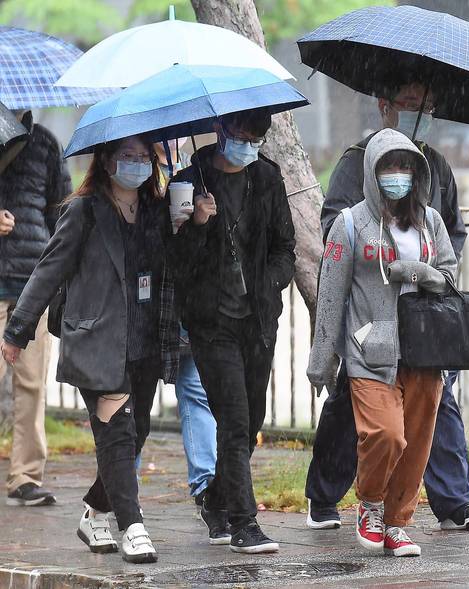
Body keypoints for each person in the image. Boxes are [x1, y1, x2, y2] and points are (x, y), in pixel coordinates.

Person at [306, 80, 469, 532]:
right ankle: (327, 494)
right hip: (369, 322)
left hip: (423, 322)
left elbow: (451, 234)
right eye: (412, 105)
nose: (421, 114)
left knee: (434, 407)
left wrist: (430, 273)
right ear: (385, 106)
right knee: (354, 413)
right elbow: (335, 224)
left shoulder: (437, 168)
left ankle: (450, 501)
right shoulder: (356, 162)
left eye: (428, 106)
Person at [1, 133, 179, 563]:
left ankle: (95, 512)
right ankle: (132, 525)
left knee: (135, 434)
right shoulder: (84, 210)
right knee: (116, 431)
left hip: (144, 340)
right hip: (97, 338)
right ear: (107, 160)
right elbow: (48, 269)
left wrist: (191, 220)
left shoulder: (159, 209)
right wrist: (17, 331)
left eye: (143, 156)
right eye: (127, 156)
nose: (136, 164)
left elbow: (176, 267)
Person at [308, 128, 458, 557]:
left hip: (425, 352)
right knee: (387, 435)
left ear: (416, 172)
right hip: (369, 349)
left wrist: (418, 272)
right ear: (373, 173)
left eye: (404, 166)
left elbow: (448, 277)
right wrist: (321, 362)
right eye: (388, 167)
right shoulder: (349, 224)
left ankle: (397, 522)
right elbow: (331, 296)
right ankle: (370, 503)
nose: (397, 174)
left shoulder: (430, 220)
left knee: (418, 442)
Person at [169, 107, 295, 553]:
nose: (247, 144)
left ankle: (216, 500)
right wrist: (198, 226)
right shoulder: (189, 183)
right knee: (234, 417)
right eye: (240, 134)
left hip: (258, 321)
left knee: (251, 420)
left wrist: (270, 283)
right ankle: (244, 524)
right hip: (211, 323)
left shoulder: (267, 178)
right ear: (220, 131)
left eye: (255, 137)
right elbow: (177, 264)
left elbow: (286, 247)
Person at [0, 109, 69, 508]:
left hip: (31, 284)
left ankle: (25, 476)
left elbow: (59, 213)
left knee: (30, 383)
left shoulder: (44, 143)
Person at [153, 139, 217, 510]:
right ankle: (117, 491)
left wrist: (194, 222)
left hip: (185, 300)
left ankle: (205, 485)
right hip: (150, 300)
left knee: (195, 390)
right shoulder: (141, 168)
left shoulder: (193, 173)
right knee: (131, 400)